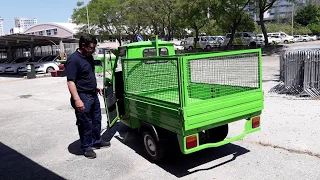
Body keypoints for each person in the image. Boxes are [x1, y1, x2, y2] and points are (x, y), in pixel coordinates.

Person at [65, 34, 110, 159]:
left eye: (94, 48)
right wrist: (77, 100)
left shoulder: (88, 57)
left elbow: (86, 76)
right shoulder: (74, 60)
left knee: (96, 120)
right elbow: (71, 82)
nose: (93, 50)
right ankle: (86, 147)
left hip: (92, 94)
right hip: (82, 96)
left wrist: (94, 87)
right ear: (83, 45)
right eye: (91, 48)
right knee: (85, 123)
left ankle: (96, 141)